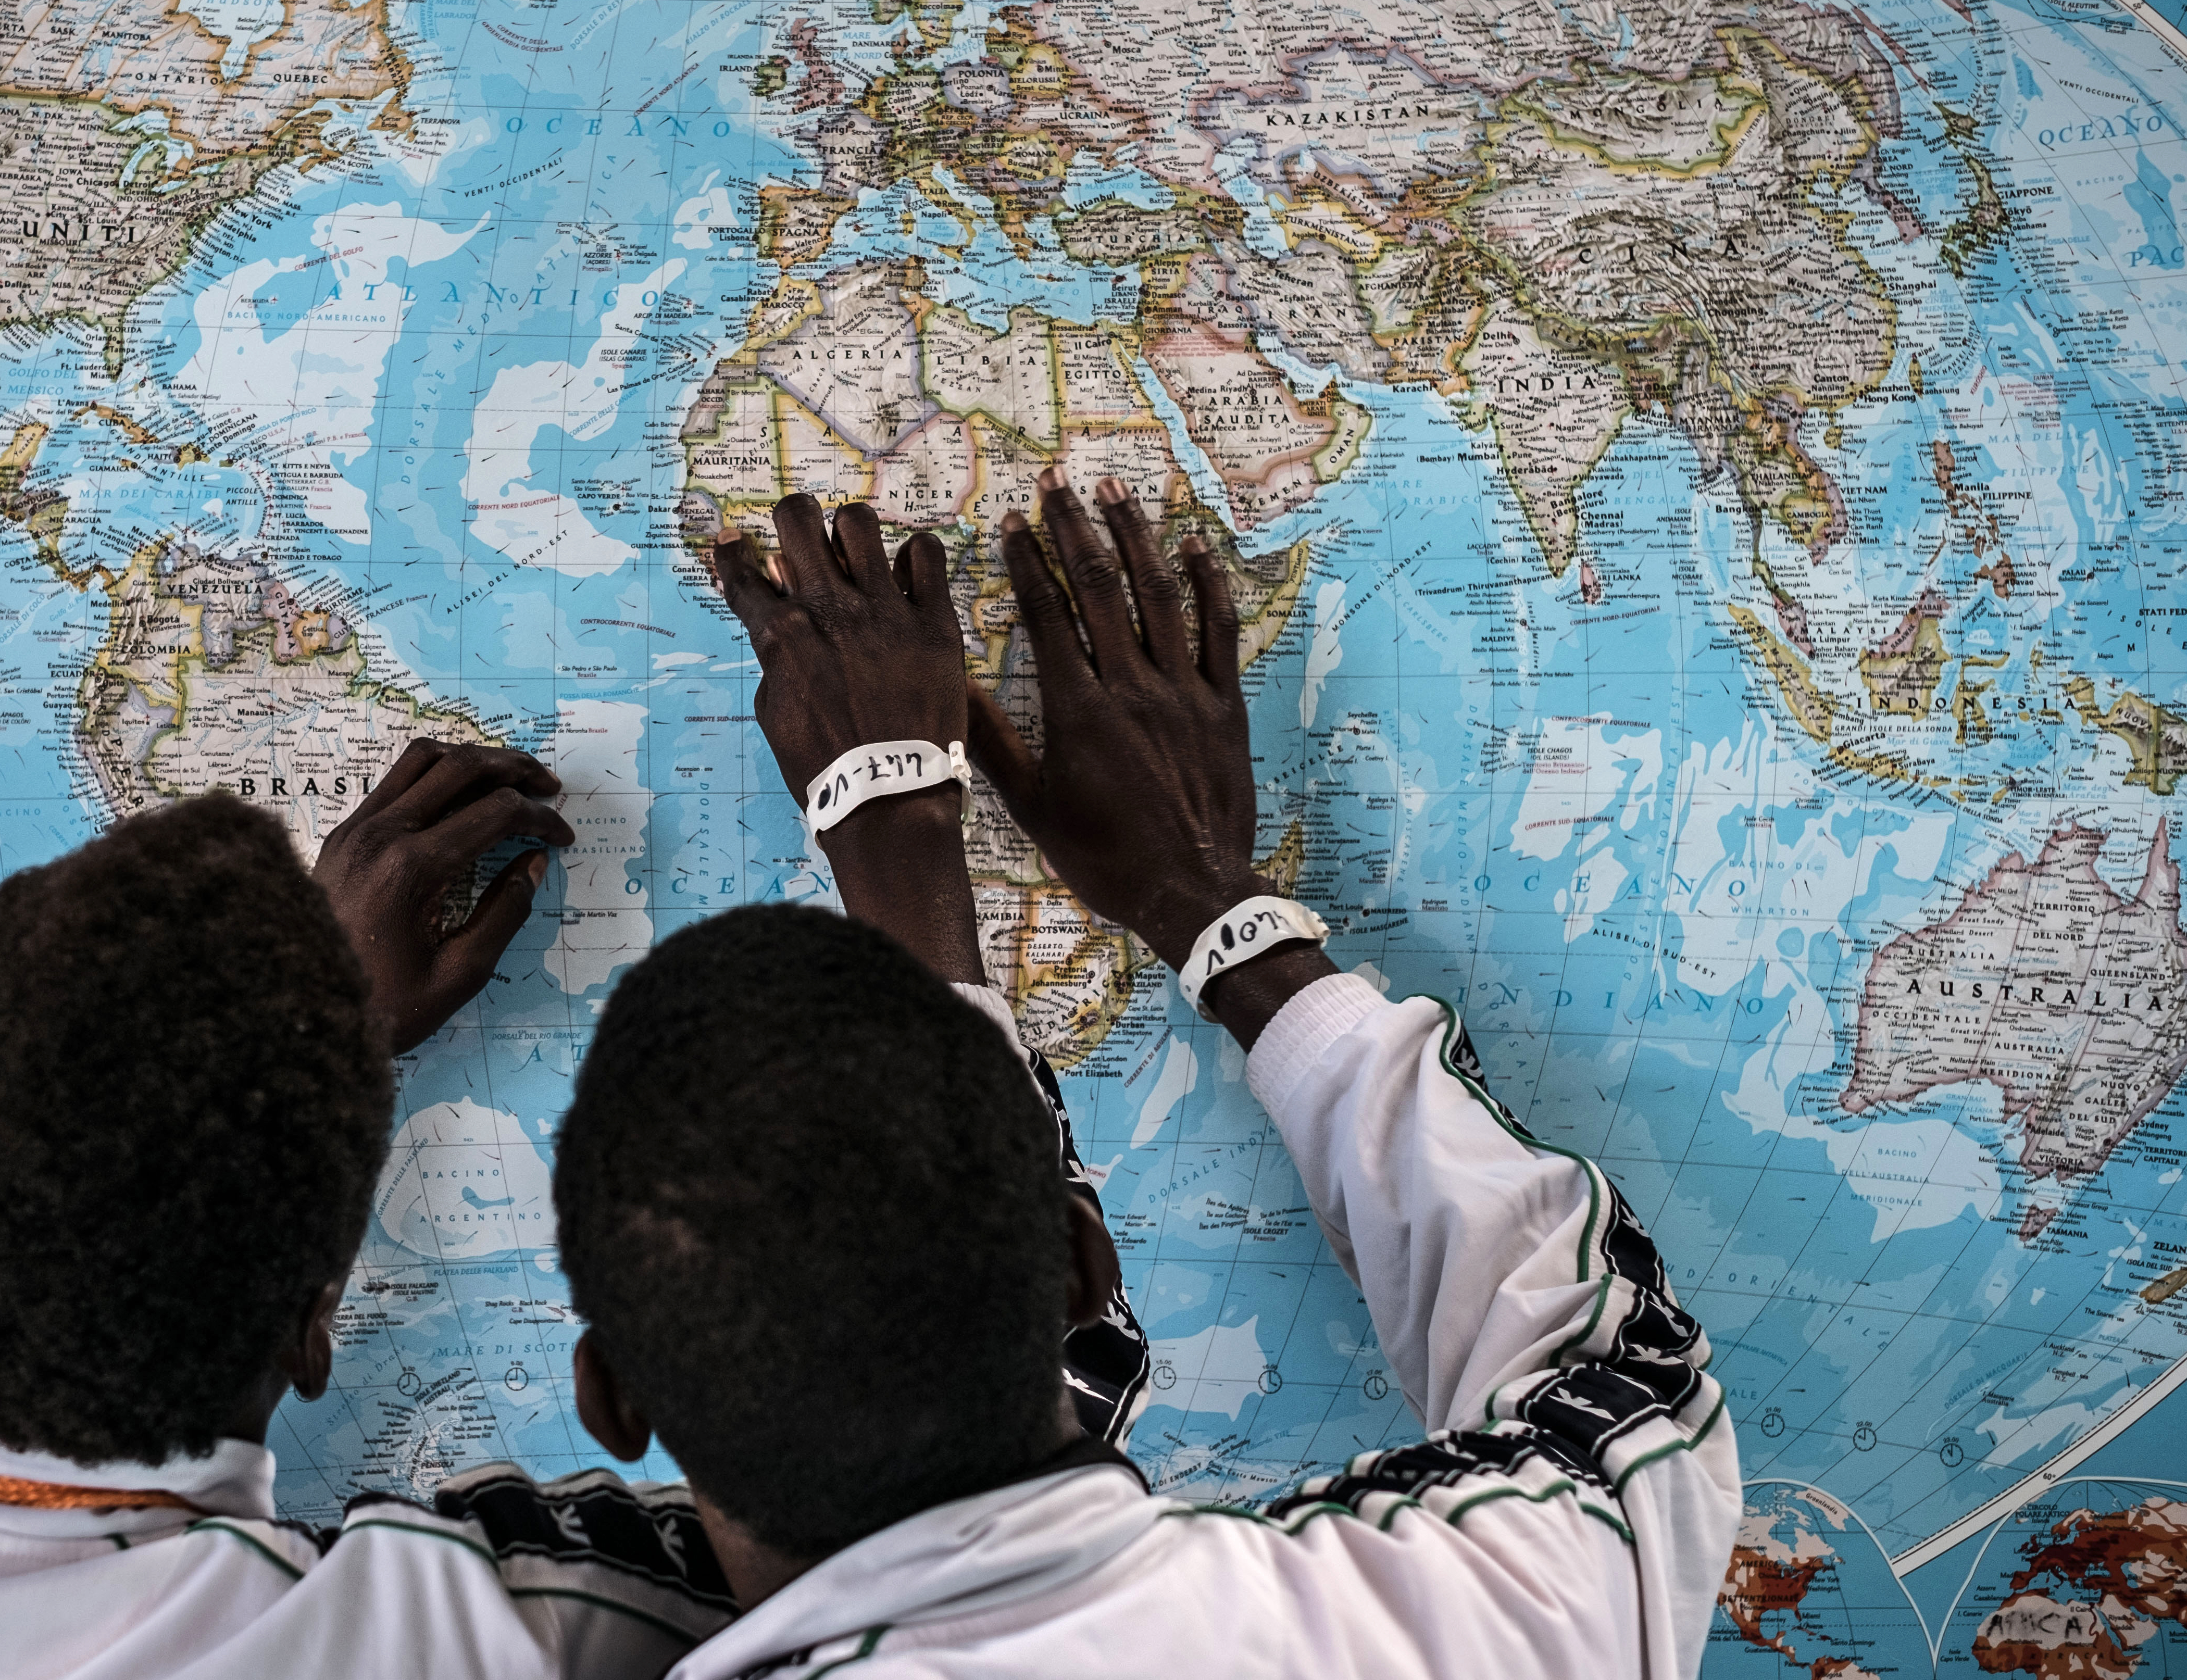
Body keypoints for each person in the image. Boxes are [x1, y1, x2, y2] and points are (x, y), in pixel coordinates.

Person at [0, 735, 1139, 1677]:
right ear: (317, 1327)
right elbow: (945, 1495)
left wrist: (285, 1060)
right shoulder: (506, 1637)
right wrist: (908, 863)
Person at [551, 476, 1740, 1678]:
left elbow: (926, 1540)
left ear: (616, 1399)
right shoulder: (1477, 1627)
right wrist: (1207, 900)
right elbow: (1634, 1406)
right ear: (1081, 1263)